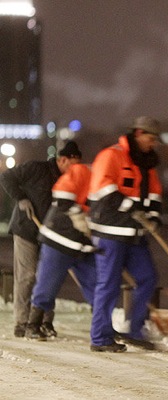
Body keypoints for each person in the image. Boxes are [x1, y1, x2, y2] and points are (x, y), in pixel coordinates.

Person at [87, 116, 163, 353]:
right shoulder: (111, 156)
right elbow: (104, 189)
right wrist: (132, 208)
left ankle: (133, 329)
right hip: (110, 233)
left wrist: (154, 216)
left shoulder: (146, 164)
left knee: (148, 277)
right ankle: (100, 337)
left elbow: (154, 194)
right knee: (108, 284)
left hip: (135, 235)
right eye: (150, 139)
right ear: (138, 134)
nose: (153, 144)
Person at [0, 141, 82, 338]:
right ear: (63, 160)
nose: (76, 168)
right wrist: (20, 198)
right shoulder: (35, 168)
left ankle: (45, 322)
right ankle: (21, 322)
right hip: (26, 230)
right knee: (27, 276)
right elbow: (6, 177)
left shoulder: (71, 180)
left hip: (50, 236)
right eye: (74, 163)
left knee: (48, 277)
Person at [25, 163, 97, 340]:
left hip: (82, 245)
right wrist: (78, 215)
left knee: (97, 285)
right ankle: (33, 325)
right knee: (47, 284)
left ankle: (104, 326)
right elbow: (62, 196)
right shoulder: (82, 172)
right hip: (59, 239)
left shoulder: (113, 185)